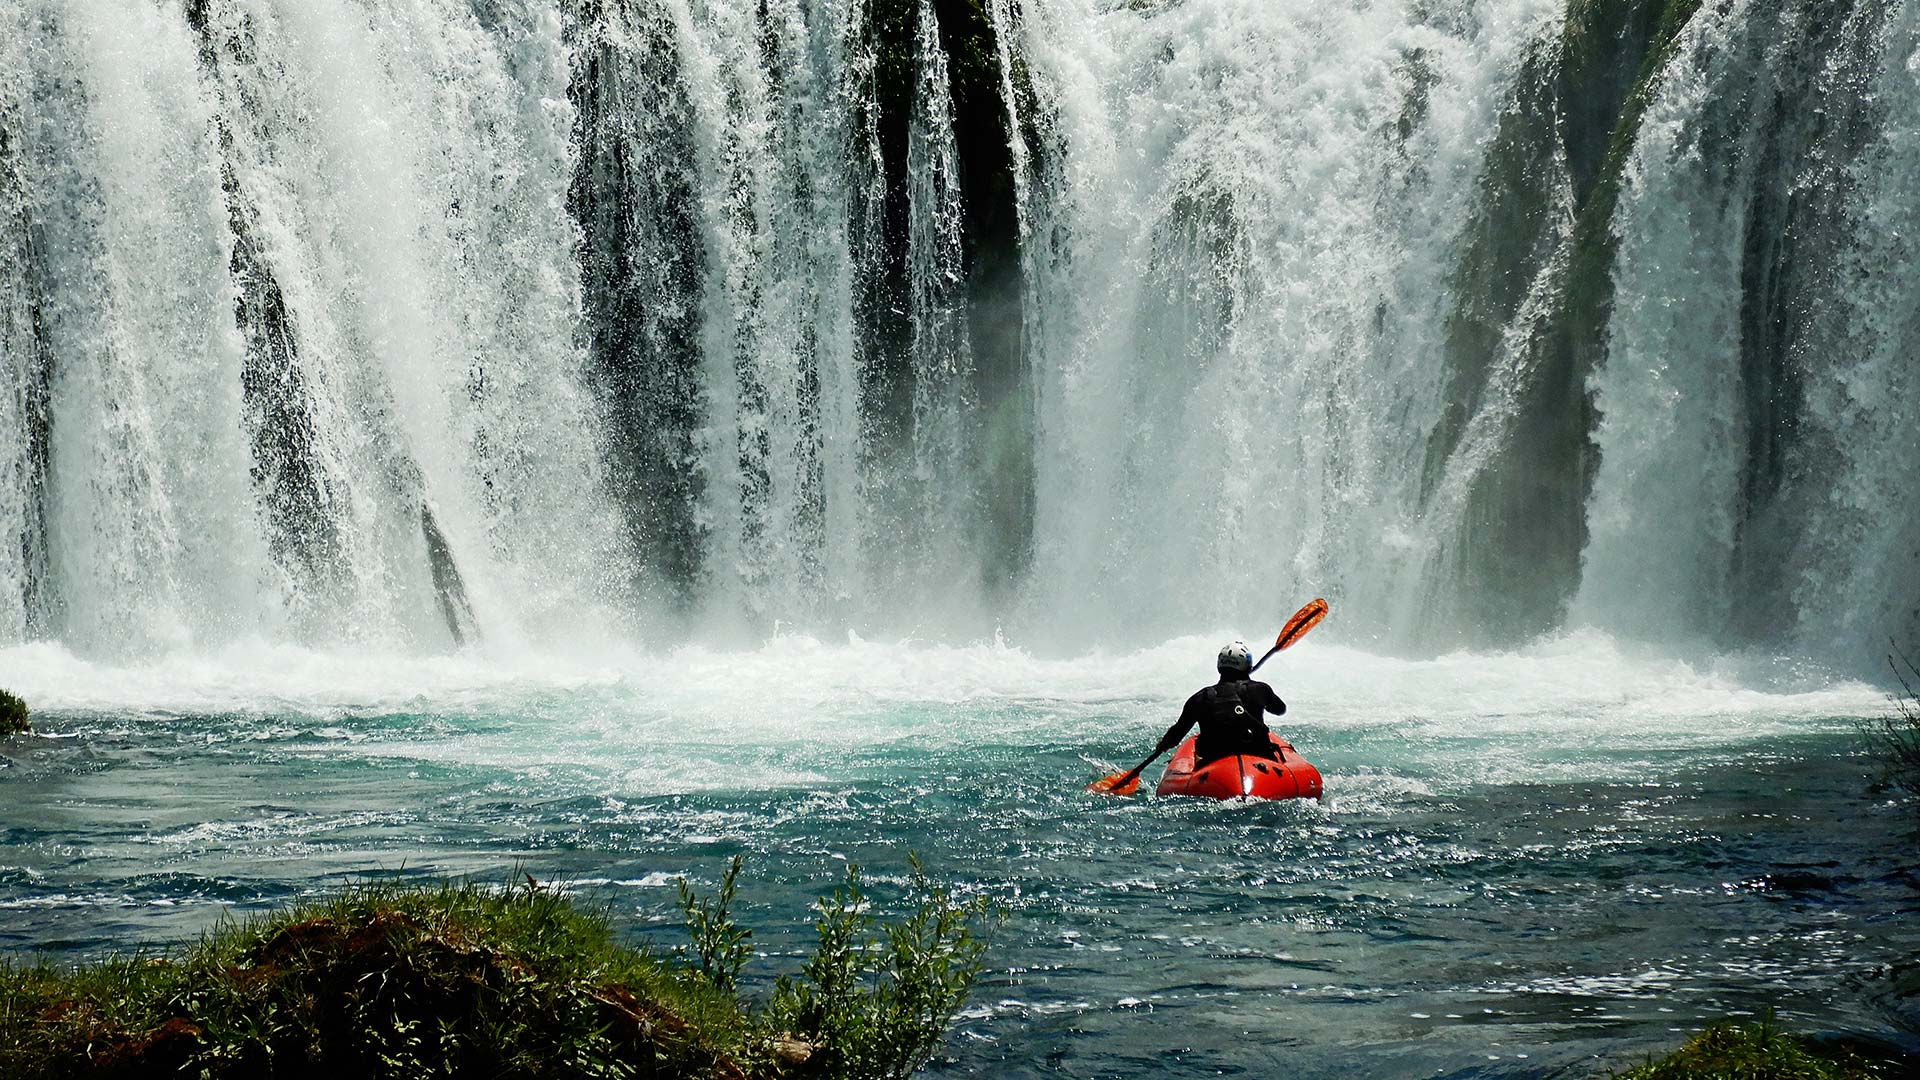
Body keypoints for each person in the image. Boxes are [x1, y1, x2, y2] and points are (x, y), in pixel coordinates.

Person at [1150, 640, 1287, 766]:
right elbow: (1280, 709)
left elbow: (1177, 734)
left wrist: (1162, 745)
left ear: (1219, 666)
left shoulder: (1200, 697)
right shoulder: (1260, 689)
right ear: (1247, 665)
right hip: (1257, 755)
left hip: (1214, 760)